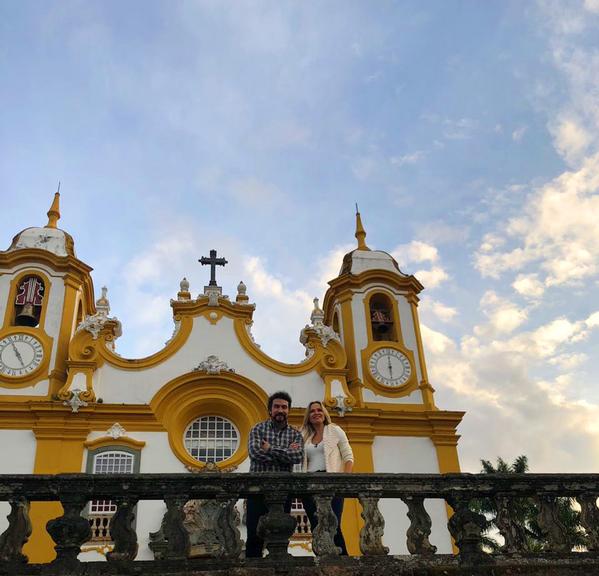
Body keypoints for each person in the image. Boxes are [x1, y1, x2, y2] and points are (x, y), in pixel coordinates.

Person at [246, 390, 304, 558]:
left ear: (288, 410)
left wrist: (270, 449)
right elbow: (255, 453)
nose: (281, 410)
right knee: (254, 536)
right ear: (270, 410)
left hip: (283, 492)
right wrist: (285, 454)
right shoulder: (257, 429)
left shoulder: (295, 434)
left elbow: (297, 457)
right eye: (277, 406)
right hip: (257, 491)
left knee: (281, 536)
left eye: (284, 407)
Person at [300, 400, 353, 555]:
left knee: (333, 524)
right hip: (310, 483)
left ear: (324, 413)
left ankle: (343, 563)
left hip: (332, 481)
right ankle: (322, 560)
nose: (316, 413)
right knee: (317, 526)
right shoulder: (305, 435)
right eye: (312, 411)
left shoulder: (334, 430)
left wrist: (344, 480)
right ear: (308, 416)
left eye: (319, 410)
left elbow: (348, 456)